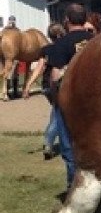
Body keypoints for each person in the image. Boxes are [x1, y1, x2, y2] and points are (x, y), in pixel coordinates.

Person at [46, 3, 93, 193]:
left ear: (66, 21)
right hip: (95, 103)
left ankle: (74, 189)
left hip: (70, 103)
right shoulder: (96, 41)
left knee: (69, 148)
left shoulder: (61, 44)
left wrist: (54, 96)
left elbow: (56, 77)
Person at [23, 22, 66, 159]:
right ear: (60, 34)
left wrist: (28, 85)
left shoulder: (45, 50)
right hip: (58, 83)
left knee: (57, 112)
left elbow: (39, 68)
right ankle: (49, 142)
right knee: (59, 113)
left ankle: (52, 142)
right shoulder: (64, 47)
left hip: (46, 85)